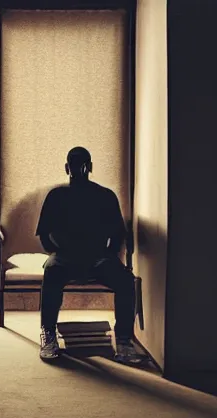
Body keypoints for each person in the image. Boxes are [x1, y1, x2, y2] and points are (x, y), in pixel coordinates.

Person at [35, 146, 140, 364]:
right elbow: (43, 233)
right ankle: (48, 334)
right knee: (52, 270)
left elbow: (118, 233)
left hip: (98, 256)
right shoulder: (57, 196)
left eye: (82, 163)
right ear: (66, 167)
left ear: (90, 167)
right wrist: (56, 252)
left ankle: (123, 340)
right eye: (73, 163)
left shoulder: (105, 196)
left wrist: (108, 255)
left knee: (126, 281)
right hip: (64, 256)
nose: (77, 168)